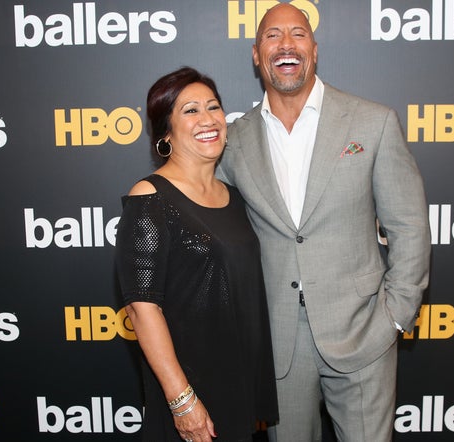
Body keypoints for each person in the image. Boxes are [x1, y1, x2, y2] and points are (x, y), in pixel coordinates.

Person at [216, 4, 431, 441]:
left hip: (364, 331)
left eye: (298, 33)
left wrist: (395, 315)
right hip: (277, 345)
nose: (286, 44)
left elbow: (409, 225)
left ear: (314, 49)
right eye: (273, 36)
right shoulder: (232, 141)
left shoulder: (373, 122)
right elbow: (214, 225)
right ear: (257, 54)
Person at [115, 67, 278, 442]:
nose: (208, 119)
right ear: (166, 132)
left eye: (214, 107)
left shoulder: (234, 197)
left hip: (236, 389)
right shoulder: (149, 197)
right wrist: (182, 401)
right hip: (189, 393)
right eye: (190, 111)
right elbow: (143, 309)